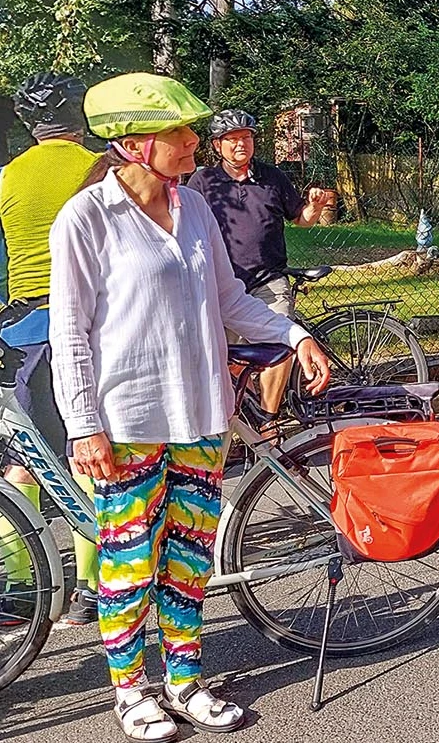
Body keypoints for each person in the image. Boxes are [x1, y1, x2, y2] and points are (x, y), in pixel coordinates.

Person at [48, 73, 332, 740]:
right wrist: (83, 424)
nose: (192, 141)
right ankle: (131, 692)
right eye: (180, 132)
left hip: (202, 415)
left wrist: (294, 333)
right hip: (128, 424)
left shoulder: (194, 207)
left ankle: (183, 678)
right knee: (128, 563)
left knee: (189, 559)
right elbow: (69, 332)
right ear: (134, 144)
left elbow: (231, 301)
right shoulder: (86, 218)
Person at [0, 72, 102, 628]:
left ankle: (17, 591)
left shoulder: (6, 178)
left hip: (20, 332)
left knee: (25, 463)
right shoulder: (97, 169)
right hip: (84, 325)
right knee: (87, 454)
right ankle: (89, 592)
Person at [186, 109, 332, 416]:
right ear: (217, 146)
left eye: (247, 138)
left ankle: (268, 420)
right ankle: (242, 418)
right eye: (233, 139)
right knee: (226, 356)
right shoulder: (203, 181)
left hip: (269, 279)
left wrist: (314, 208)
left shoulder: (273, 177)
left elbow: (300, 219)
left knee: (279, 349)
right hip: (222, 284)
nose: (241, 145)